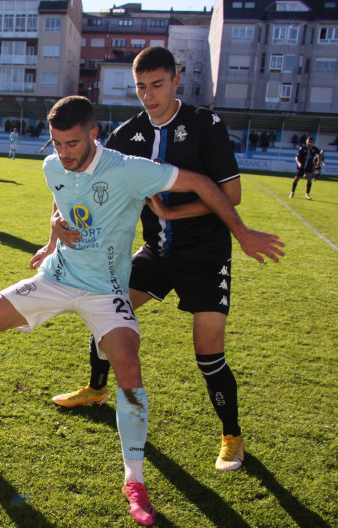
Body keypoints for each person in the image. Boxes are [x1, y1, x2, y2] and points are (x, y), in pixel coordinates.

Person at [0, 96, 283, 527]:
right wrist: (51, 235)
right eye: (55, 143)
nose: (62, 153)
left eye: (71, 143)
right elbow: (59, 198)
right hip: (56, 277)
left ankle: (134, 481)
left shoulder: (127, 168)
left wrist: (242, 231)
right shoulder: (51, 166)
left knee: (128, 363)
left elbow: (200, 181)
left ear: (93, 134)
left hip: (105, 290)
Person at [47, 47, 285, 475]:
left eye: (157, 85)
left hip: (206, 255)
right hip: (157, 252)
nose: (148, 95)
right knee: (108, 309)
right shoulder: (127, 132)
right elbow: (77, 174)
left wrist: (178, 214)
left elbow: (229, 196)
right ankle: (97, 389)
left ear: (176, 81)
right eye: (141, 87)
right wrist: (57, 220)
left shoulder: (205, 124)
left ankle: (232, 435)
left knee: (208, 349)